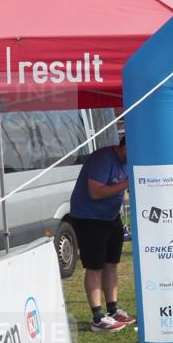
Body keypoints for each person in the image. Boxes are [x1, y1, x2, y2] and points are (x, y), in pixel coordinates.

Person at [69, 138, 135, 332]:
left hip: (110, 218)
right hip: (89, 218)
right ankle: (97, 317)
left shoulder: (125, 161)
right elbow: (95, 192)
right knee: (94, 267)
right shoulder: (103, 158)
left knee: (111, 265)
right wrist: (125, 184)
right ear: (126, 146)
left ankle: (112, 310)